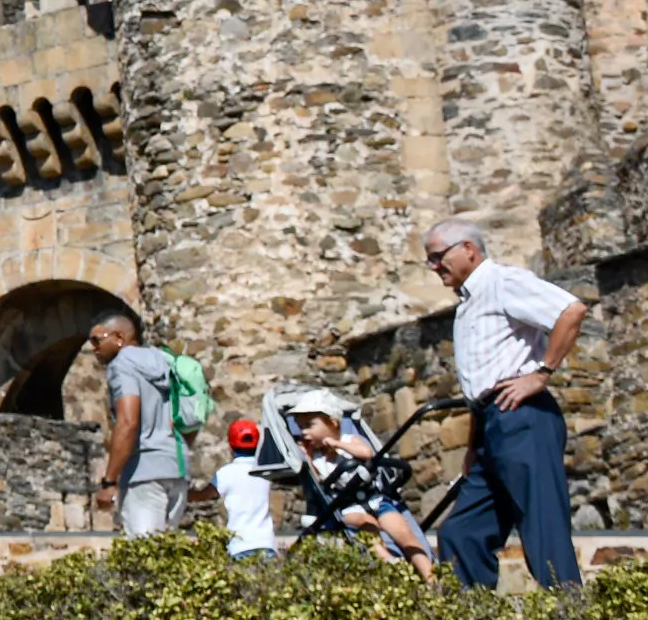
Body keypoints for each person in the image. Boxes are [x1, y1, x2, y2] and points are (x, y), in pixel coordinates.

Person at [424, 219, 589, 588]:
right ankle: (475, 618)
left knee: (542, 525)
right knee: (461, 533)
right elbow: (480, 383)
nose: (434, 267)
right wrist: (473, 446)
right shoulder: (468, 303)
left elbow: (572, 311)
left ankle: (571, 614)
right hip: (490, 425)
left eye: (437, 257)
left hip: (523, 417)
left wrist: (541, 373)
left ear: (468, 249)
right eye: (429, 260)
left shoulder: (502, 282)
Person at [287, 406, 438, 580]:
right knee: (367, 525)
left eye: (309, 425)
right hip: (349, 507)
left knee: (404, 533)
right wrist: (307, 457)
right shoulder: (317, 457)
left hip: (375, 499)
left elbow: (367, 453)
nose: (304, 432)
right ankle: (390, 562)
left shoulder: (350, 440)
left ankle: (431, 578)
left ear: (333, 423)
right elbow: (319, 483)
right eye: (301, 427)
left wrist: (338, 445)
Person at [88, 311, 188, 536]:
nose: (93, 348)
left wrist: (109, 481)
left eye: (97, 340)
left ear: (119, 337)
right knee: (168, 550)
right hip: (178, 467)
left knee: (143, 550)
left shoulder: (122, 364)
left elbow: (128, 421)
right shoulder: (163, 360)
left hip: (144, 472)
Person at [212, 419, 277, 562]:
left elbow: (208, 494)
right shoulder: (265, 471)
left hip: (239, 545)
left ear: (230, 447)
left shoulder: (225, 473)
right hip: (267, 544)